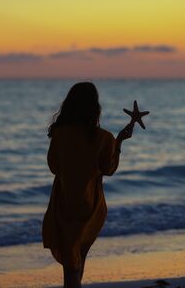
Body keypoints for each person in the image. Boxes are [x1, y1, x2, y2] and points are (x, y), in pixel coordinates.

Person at [42, 82, 134, 288]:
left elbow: (54, 166)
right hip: (90, 202)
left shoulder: (59, 134)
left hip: (65, 200)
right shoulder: (103, 138)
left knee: (70, 261)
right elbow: (109, 169)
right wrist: (119, 141)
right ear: (95, 107)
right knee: (80, 255)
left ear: (70, 105)